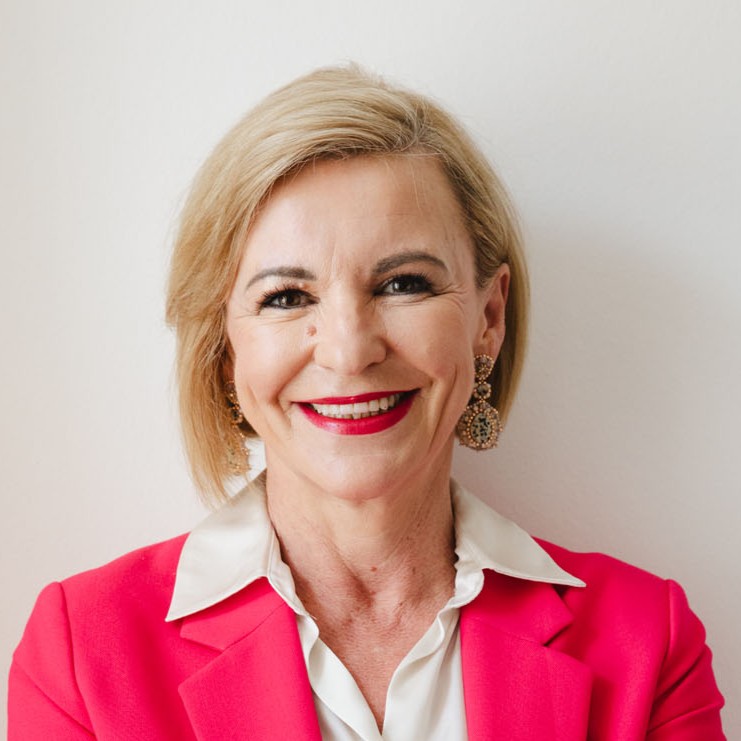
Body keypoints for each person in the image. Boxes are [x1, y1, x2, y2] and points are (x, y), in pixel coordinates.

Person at [9, 65, 725, 740]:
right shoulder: (81, 655)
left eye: (403, 284)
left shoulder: (648, 641)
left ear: (488, 317)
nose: (348, 351)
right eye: (285, 297)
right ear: (226, 348)